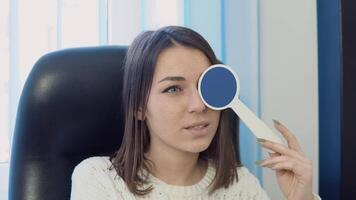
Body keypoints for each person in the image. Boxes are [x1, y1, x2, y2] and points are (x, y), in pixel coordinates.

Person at [70, 26, 321, 200]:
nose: (199, 105)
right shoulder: (99, 180)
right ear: (138, 106)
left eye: (205, 86)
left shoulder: (240, 185)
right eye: (173, 88)